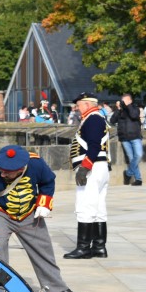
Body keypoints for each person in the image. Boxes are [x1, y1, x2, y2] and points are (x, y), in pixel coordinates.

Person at [0, 144, 83, 292]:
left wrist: (44, 203)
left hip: (29, 211)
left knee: (42, 246)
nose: (2, 174)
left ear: (21, 168)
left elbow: (48, 181)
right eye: (1, 170)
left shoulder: (36, 164)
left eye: (7, 172)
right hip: (1, 212)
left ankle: (55, 287)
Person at [64, 92, 110, 259]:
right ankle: (99, 247)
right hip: (100, 167)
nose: (77, 107)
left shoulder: (93, 119)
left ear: (88, 104)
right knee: (98, 209)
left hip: (92, 167)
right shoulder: (95, 118)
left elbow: (94, 145)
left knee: (85, 206)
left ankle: (83, 248)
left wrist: (85, 167)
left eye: (79, 104)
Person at [117, 93, 143, 186]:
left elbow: (134, 115)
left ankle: (128, 173)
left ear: (130, 101)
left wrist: (128, 106)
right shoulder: (121, 111)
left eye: (126, 100)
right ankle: (138, 179)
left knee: (138, 155)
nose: (123, 102)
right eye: (122, 100)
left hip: (135, 136)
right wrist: (119, 109)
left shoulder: (135, 108)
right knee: (132, 158)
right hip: (124, 138)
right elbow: (112, 120)